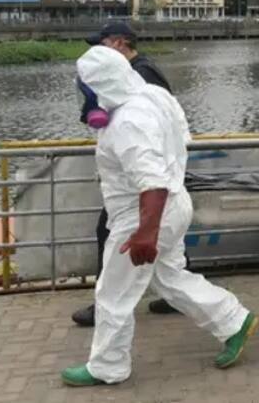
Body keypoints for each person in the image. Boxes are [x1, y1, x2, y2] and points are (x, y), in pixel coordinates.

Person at [61, 46, 256, 386]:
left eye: (86, 92)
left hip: (144, 214)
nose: (84, 100)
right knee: (169, 278)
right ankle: (233, 320)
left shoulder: (127, 123)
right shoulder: (150, 97)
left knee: (114, 293)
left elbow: (152, 181)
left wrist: (146, 232)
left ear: (98, 88)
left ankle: (107, 366)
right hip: (171, 204)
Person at [72, 20, 178, 327]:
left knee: (109, 232)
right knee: (169, 239)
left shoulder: (140, 75)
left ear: (119, 43)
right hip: (145, 171)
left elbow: (146, 123)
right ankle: (177, 295)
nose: (97, 52)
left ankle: (106, 305)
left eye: (102, 45)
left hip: (142, 175)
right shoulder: (139, 71)